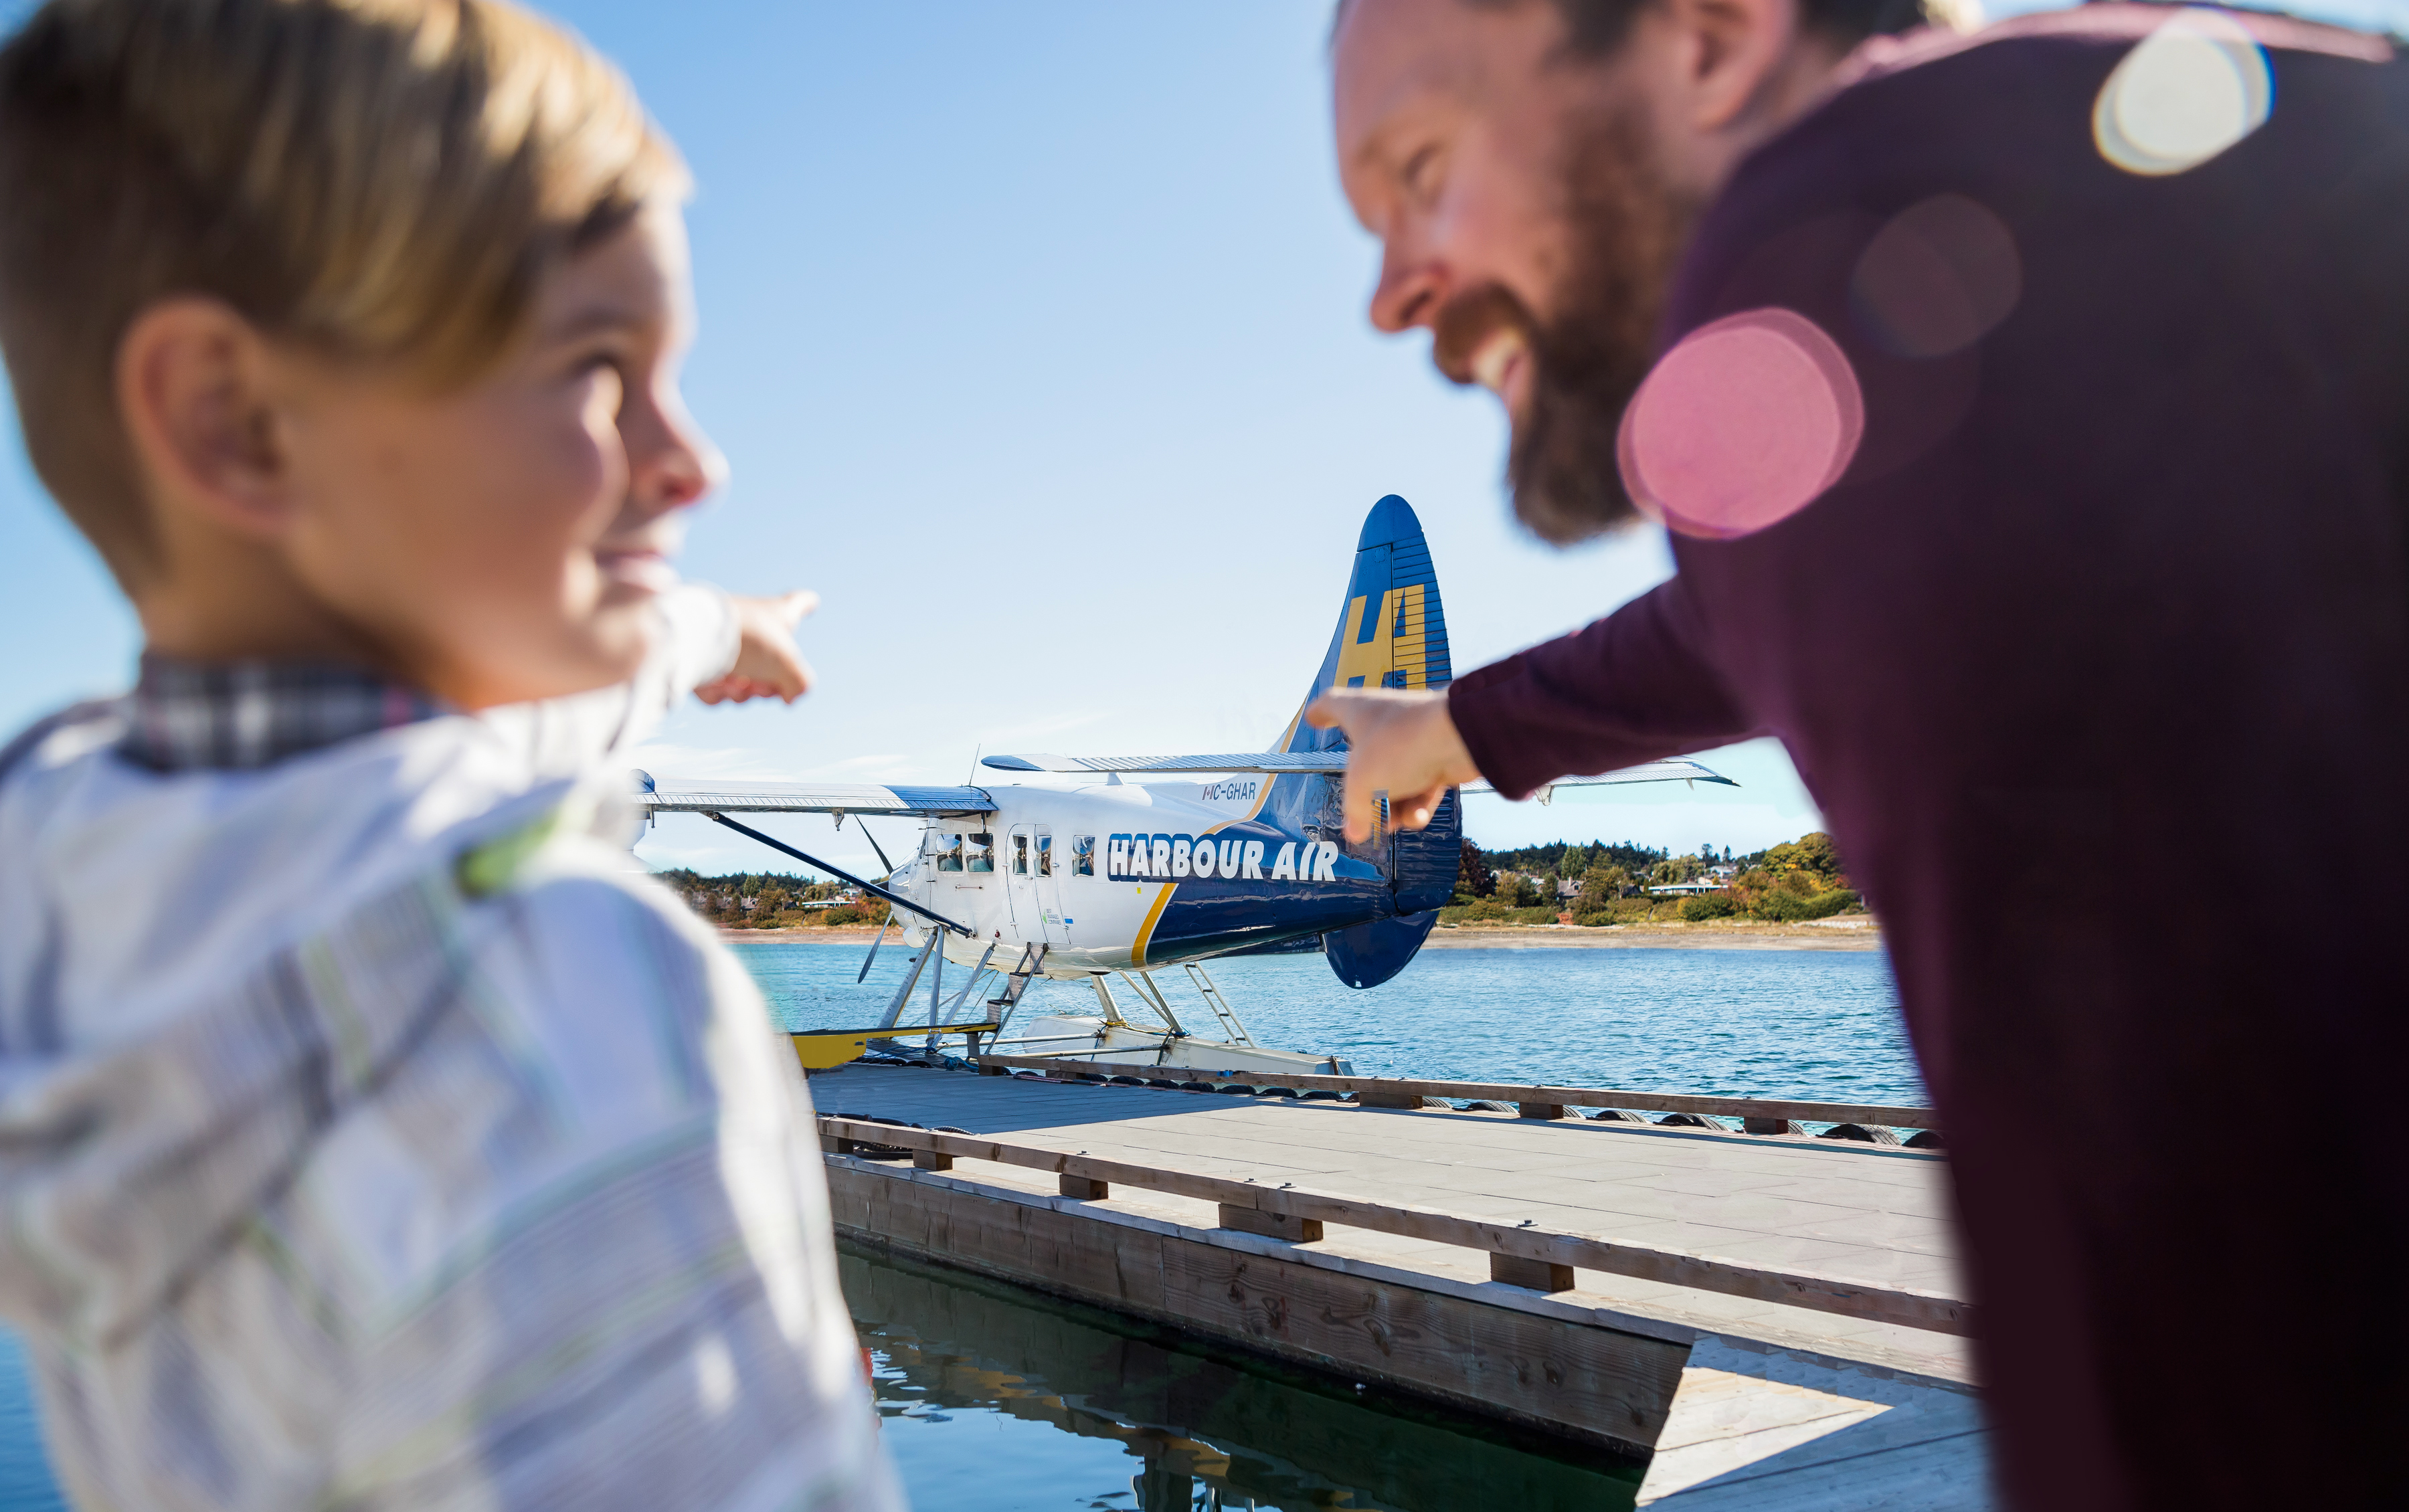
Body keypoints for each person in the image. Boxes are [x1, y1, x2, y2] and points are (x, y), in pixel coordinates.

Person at [1312, 0, 2409, 1507]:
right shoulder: (2079, 218)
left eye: (1425, 169)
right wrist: (1456, 727)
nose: (1391, 293)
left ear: (1711, 35)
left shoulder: (1818, 230)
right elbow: (1744, 612)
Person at [0, 1, 901, 1508]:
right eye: (601, 369)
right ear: (236, 420)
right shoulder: (570, 1008)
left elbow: (463, 755)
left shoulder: (70, 864)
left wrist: (711, 629)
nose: (695, 462)